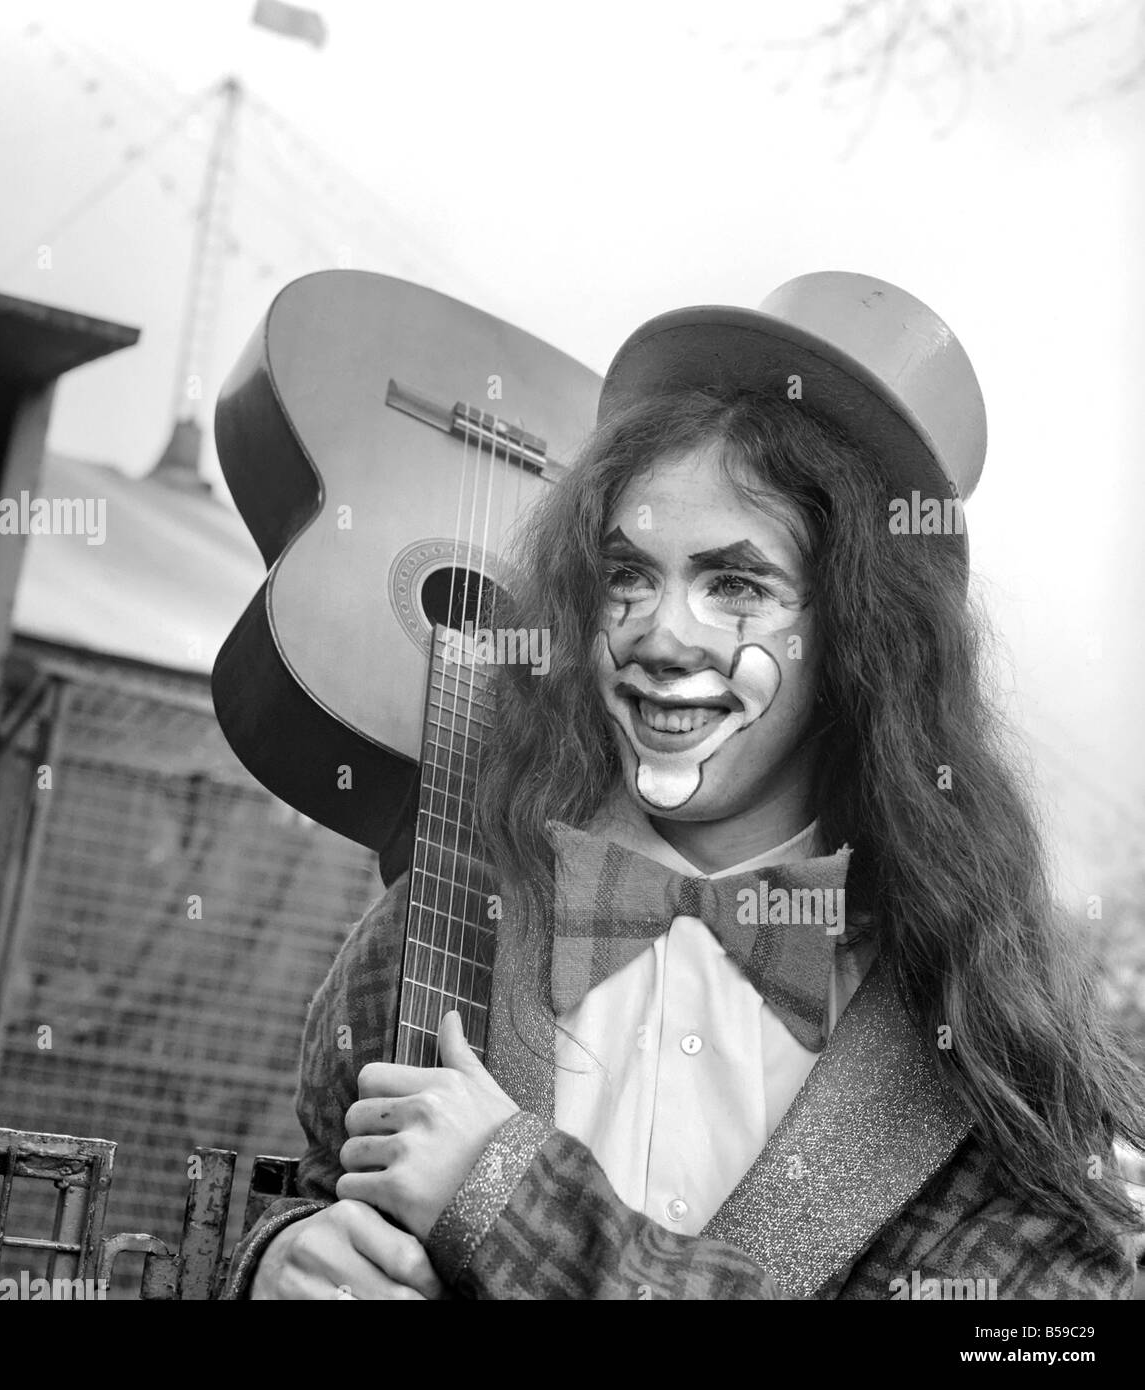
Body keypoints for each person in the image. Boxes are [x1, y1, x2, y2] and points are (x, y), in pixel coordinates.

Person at [225, 272, 1145, 1300]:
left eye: (736, 585)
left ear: (857, 638)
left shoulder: (982, 1034)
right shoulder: (441, 912)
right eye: (629, 575)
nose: (662, 637)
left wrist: (509, 1196)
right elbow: (306, 1186)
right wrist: (276, 1264)